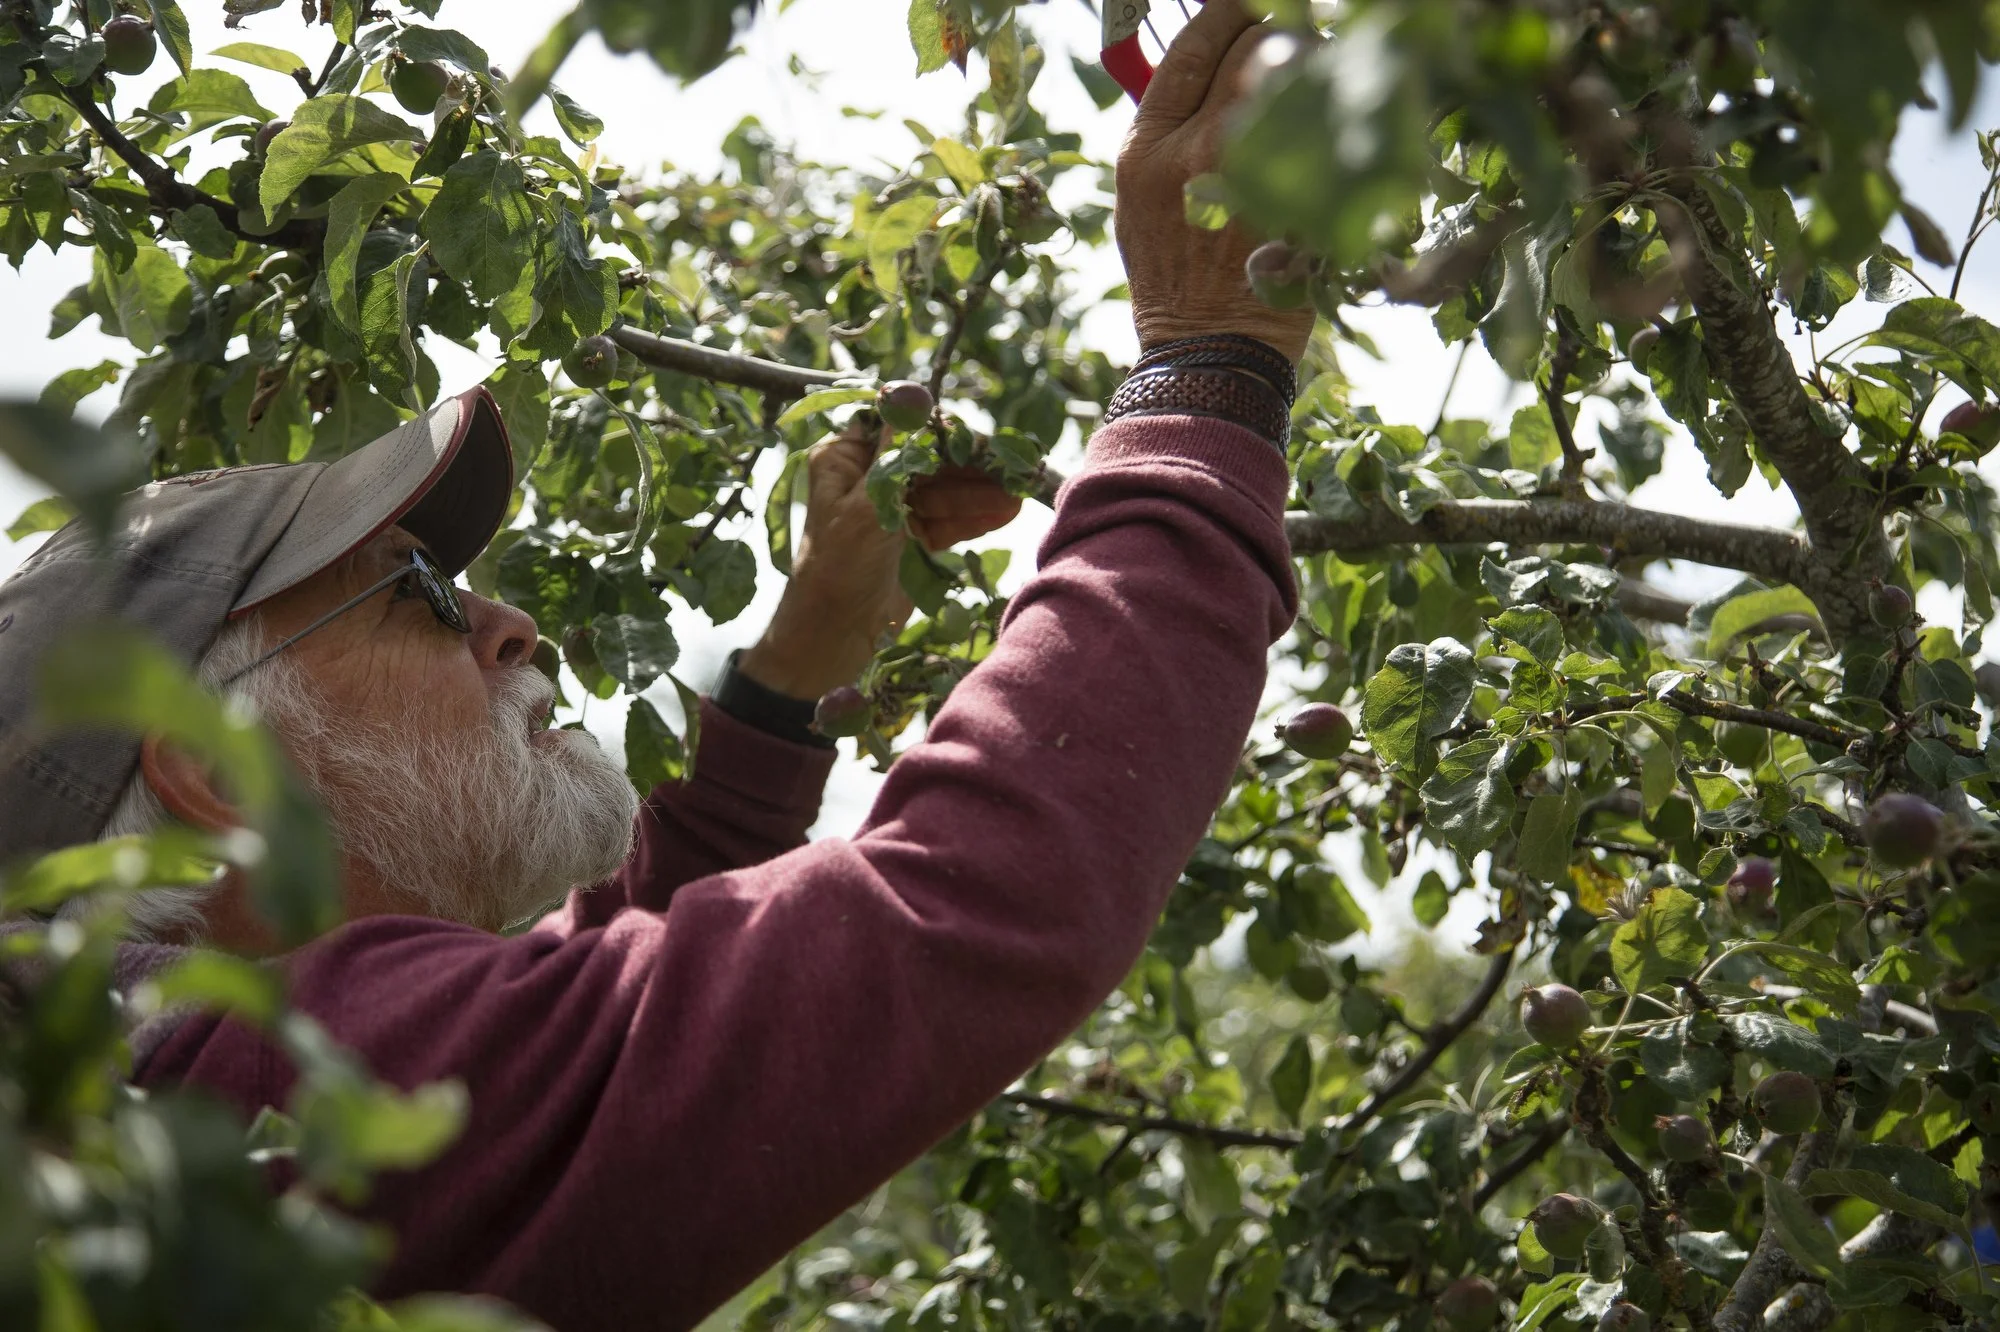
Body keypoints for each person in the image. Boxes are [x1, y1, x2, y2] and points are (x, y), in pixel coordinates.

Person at [0, 2, 1312, 1327]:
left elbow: (593, 1030)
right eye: (416, 593)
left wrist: (800, 663)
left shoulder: (138, 1077)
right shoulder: (250, 1088)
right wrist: (1207, 367)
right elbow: (959, 912)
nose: (510, 626)